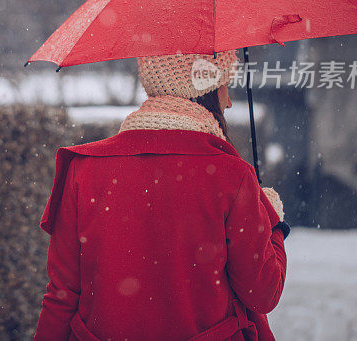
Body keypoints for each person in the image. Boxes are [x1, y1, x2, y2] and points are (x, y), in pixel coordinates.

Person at [35, 51, 289, 341]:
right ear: (202, 87)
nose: (229, 100)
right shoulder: (232, 176)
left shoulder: (83, 168)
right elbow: (263, 293)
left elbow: (61, 295)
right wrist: (272, 223)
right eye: (224, 85)